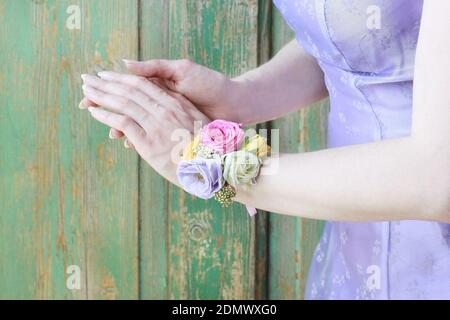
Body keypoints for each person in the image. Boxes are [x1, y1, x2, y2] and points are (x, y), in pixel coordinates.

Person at [79, 0, 449, 299]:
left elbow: (438, 180)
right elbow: (360, 34)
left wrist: (219, 165)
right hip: (350, 250)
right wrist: (243, 97)